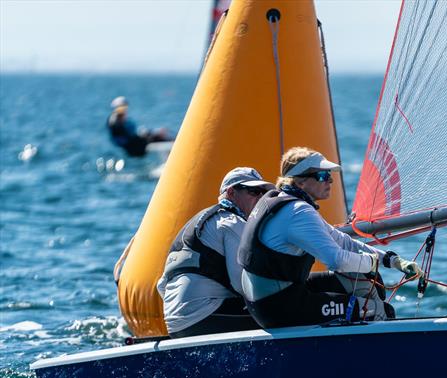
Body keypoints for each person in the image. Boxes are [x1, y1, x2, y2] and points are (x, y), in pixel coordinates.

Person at [238, 147, 421, 328]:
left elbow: (343, 241)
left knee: (366, 282)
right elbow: (336, 260)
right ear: (300, 182)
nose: (330, 180)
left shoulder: (285, 202)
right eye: (323, 176)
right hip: (279, 308)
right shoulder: (298, 212)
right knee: (378, 309)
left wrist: (392, 260)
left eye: (329, 175)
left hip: (268, 300)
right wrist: (371, 263)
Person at [157, 167, 275, 338]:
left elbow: (161, 286)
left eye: (263, 194)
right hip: (207, 318)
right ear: (231, 192)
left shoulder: (196, 222)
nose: (260, 199)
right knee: (286, 312)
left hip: (175, 325)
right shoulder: (232, 223)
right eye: (254, 191)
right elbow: (244, 286)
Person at [107, 96, 173, 157]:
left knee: (158, 134)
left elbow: (133, 134)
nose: (124, 111)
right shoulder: (115, 123)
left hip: (135, 143)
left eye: (124, 108)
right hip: (135, 147)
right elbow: (127, 138)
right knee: (157, 136)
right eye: (121, 109)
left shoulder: (123, 121)